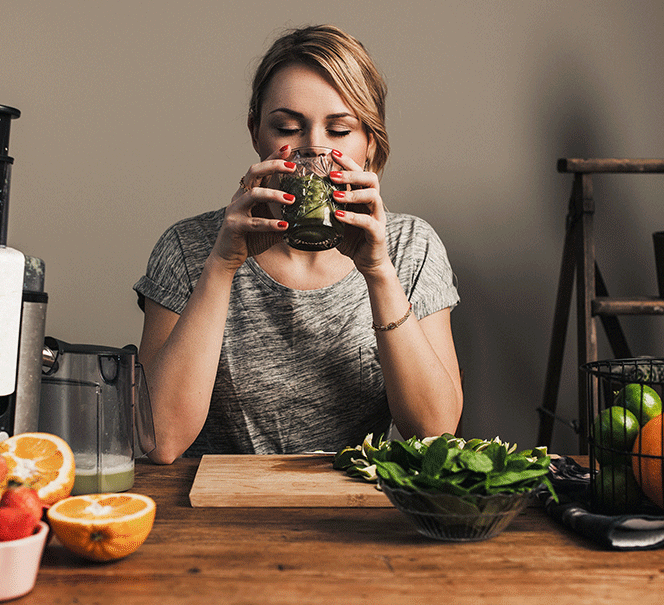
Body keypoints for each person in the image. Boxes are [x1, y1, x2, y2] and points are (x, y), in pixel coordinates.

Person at [134, 24, 462, 464]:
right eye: (288, 127)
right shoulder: (187, 248)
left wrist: (380, 275)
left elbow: (435, 432)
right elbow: (159, 441)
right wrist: (222, 265)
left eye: (340, 131)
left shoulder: (409, 247)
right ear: (257, 135)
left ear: (369, 143)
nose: (314, 151)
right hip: (217, 513)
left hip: (348, 509)